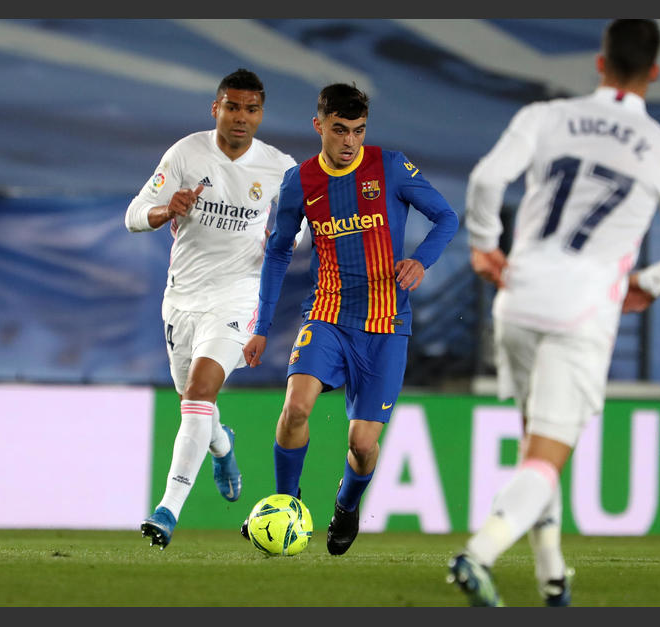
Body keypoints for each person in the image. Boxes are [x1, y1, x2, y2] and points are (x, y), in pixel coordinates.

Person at [449, 19, 660, 606]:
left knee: (535, 447)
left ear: (599, 62)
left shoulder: (546, 116)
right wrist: (650, 284)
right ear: (655, 72)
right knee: (546, 455)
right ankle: (477, 554)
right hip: (582, 310)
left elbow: (487, 178)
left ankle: (553, 576)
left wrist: (484, 244)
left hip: (518, 296)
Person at [240, 83, 459, 556]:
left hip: (385, 324)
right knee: (295, 408)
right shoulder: (300, 181)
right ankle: (286, 503)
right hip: (328, 314)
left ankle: (346, 505)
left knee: (362, 445)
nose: (350, 142)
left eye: (359, 131)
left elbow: (446, 218)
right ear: (318, 125)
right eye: (340, 130)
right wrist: (261, 327)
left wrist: (421, 260)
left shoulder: (390, 166)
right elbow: (277, 253)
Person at [125, 68, 302, 549]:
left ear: (261, 114)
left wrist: (285, 237)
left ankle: (167, 511)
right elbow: (134, 214)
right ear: (216, 109)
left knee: (200, 391)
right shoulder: (186, 154)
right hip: (182, 299)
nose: (241, 117)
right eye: (232, 107)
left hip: (238, 296)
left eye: (251, 109)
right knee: (193, 402)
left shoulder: (280, 168)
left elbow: (303, 225)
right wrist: (167, 209)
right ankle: (222, 445)